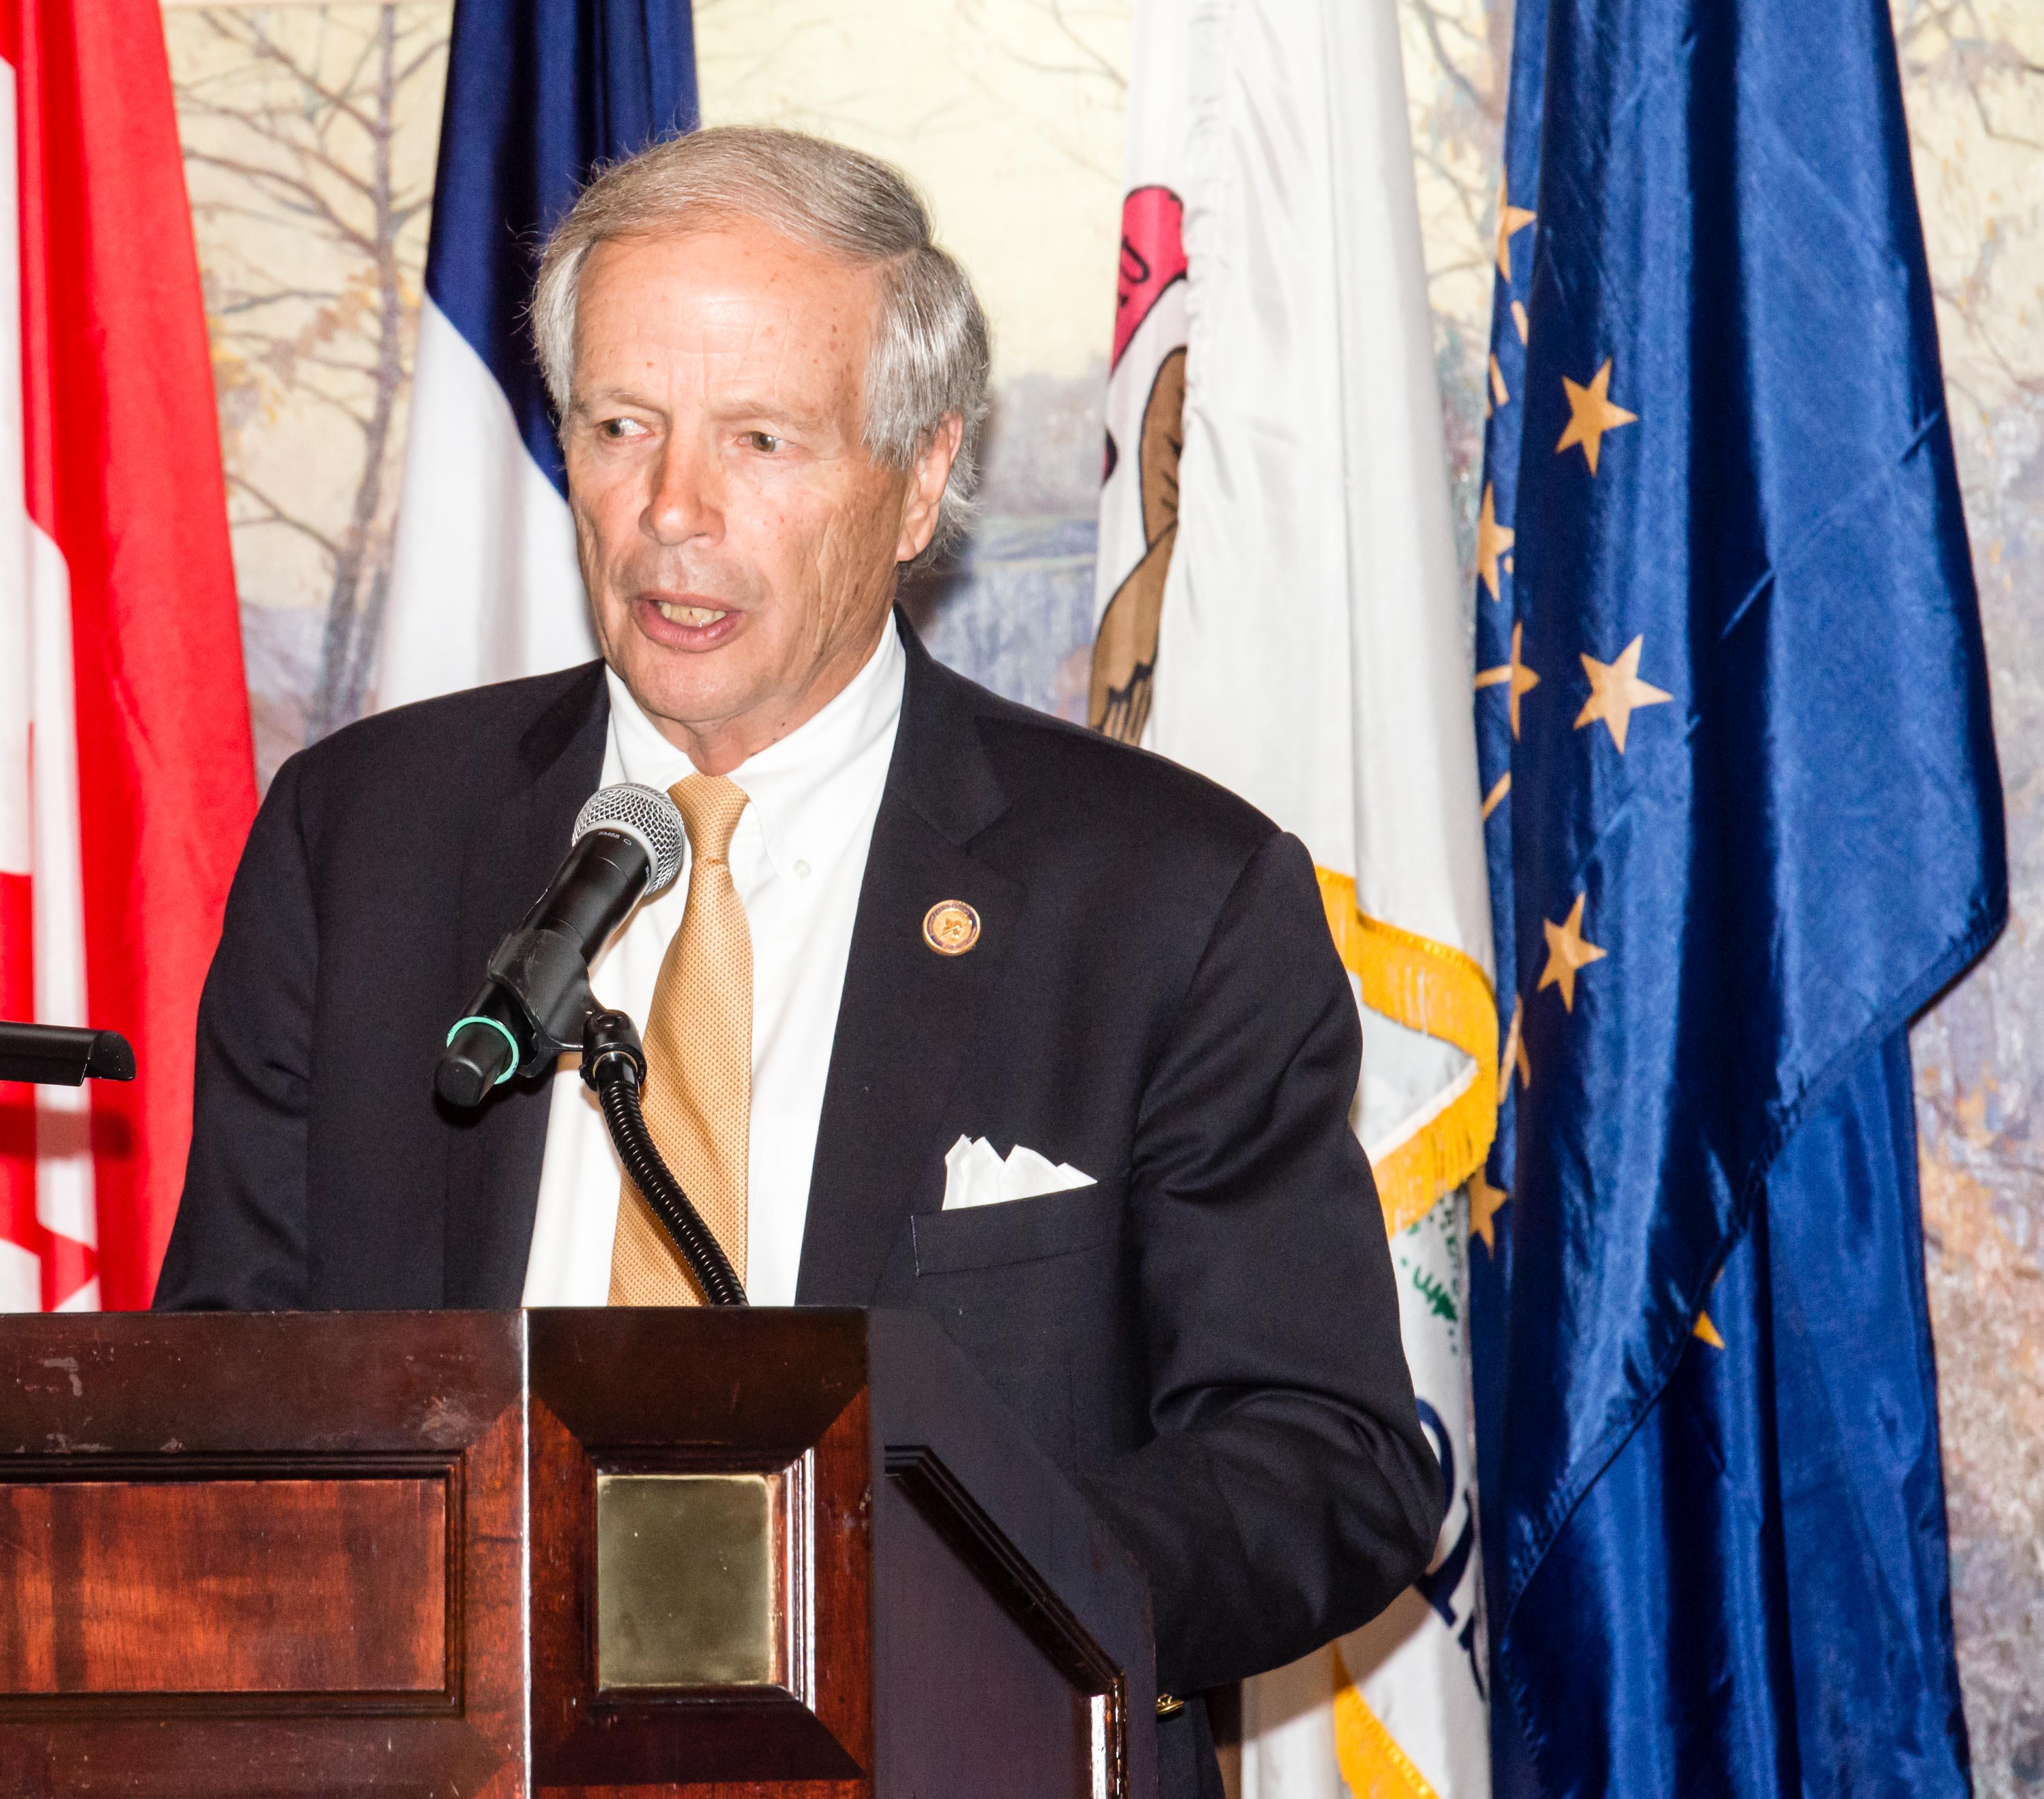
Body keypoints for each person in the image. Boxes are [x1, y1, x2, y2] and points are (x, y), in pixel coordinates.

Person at [156, 125, 1442, 1794]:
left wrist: (908, 1586)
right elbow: (221, 1389)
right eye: (622, 428)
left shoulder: (1163, 900)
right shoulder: (365, 840)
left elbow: (1323, 1466)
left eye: (759, 440)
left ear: (919, 482)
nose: (670, 511)